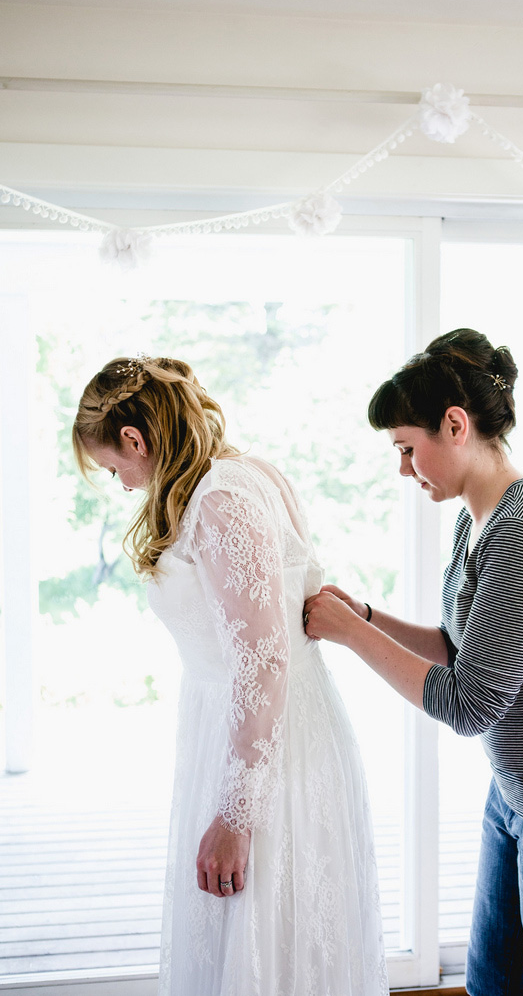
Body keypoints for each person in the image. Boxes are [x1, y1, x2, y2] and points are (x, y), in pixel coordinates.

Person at [304, 327, 523, 996]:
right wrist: (369, 617)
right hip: (520, 793)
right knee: (493, 982)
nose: (404, 470)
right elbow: (459, 645)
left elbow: (470, 703)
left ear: (455, 424)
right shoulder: (478, 518)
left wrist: (352, 635)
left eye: (409, 450)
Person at [73, 355, 388, 996]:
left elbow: (262, 659)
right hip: (249, 727)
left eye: (114, 468)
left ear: (135, 439)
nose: (124, 484)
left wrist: (236, 812)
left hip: (267, 745)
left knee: (263, 930)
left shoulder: (221, 499)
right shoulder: (244, 475)